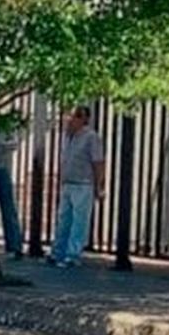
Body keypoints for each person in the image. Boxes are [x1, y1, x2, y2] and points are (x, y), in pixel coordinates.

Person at [49, 106, 106, 268]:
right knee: (63, 219)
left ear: (83, 119)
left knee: (79, 221)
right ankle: (58, 252)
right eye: (68, 115)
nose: (69, 119)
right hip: (68, 182)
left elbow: (98, 162)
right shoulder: (67, 136)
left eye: (73, 116)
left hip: (83, 183)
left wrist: (99, 185)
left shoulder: (91, 137)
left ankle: (72, 254)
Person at [0, 124, 24, 259]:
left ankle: (14, 245)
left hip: (0, 167)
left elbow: (13, 144)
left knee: (8, 207)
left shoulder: (4, 125)